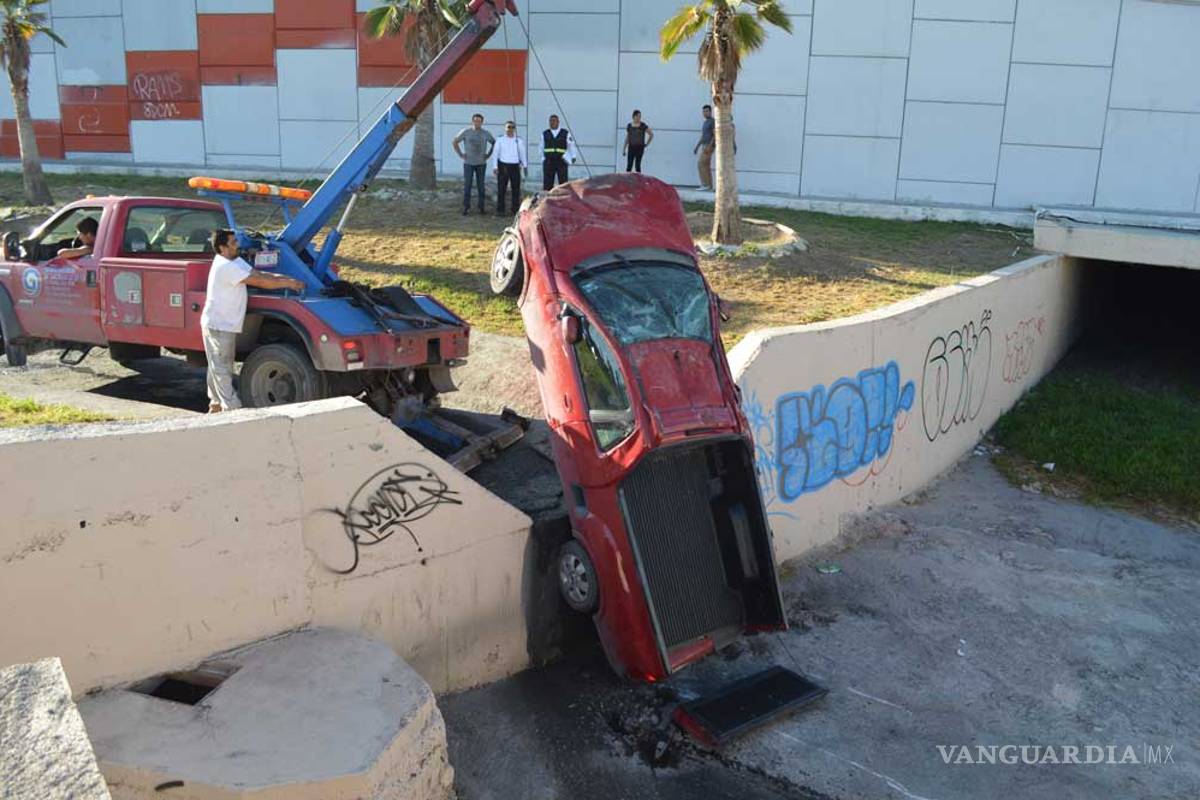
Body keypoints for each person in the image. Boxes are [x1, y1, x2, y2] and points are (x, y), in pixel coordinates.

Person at [201, 229, 304, 413]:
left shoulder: (235, 261)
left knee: (217, 364)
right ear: (222, 248)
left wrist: (288, 279)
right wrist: (289, 284)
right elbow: (261, 282)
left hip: (224, 323)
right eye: (233, 243)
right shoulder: (225, 266)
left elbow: (262, 275)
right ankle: (231, 408)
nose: (238, 245)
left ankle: (215, 404)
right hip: (218, 324)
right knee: (222, 366)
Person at [452, 113, 495, 215]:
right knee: (467, 186)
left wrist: (488, 154)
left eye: (479, 121)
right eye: (475, 121)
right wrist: (460, 154)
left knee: (481, 186)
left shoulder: (485, 133)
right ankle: (466, 207)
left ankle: (481, 208)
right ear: (472, 121)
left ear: (482, 122)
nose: (477, 123)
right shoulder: (466, 132)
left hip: (481, 163)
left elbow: (494, 143)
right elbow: (454, 141)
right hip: (468, 163)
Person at [490, 121, 527, 216]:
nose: (510, 129)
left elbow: (522, 154)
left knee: (516, 189)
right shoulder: (500, 139)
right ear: (505, 128)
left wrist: (525, 166)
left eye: (512, 127)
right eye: (508, 127)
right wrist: (495, 167)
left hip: (515, 166)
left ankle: (515, 210)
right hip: (503, 166)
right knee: (501, 189)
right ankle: (500, 210)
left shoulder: (519, 140)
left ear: (514, 129)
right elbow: (495, 154)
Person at [541, 114, 578, 190]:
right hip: (549, 161)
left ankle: (563, 199)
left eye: (554, 121)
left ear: (558, 122)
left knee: (563, 182)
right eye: (551, 121)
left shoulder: (565, 133)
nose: (552, 123)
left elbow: (571, 145)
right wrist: (543, 158)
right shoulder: (545, 133)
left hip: (561, 160)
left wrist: (573, 156)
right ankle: (548, 199)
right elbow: (541, 147)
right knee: (547, 183)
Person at [693, 104, 715, 190]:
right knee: (706, 165)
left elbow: (715, 135)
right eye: (704, 111)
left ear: (710, 112)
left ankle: (705, 184)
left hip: (709, 146)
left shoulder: (712, 121)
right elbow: (703, 136)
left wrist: (709, 146)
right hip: (704, 145)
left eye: (707, 111)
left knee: (700, 164)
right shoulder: (705, 122)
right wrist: (697, 146)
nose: (705, 113)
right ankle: (709, 185)